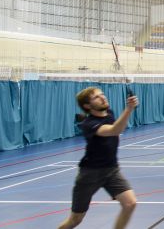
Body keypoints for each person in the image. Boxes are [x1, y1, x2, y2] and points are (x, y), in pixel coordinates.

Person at [59, 87, 138, 229]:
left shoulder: (109, 113)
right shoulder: (88, 124)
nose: (103, 97)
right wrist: (129, 109)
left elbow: (117, 127)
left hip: (112, 170)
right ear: (87, 106)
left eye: (102, 94)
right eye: (96, 97)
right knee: (75, 220)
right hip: (90, 174)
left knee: (130, 203)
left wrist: (128, 110)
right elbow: (115, 130)